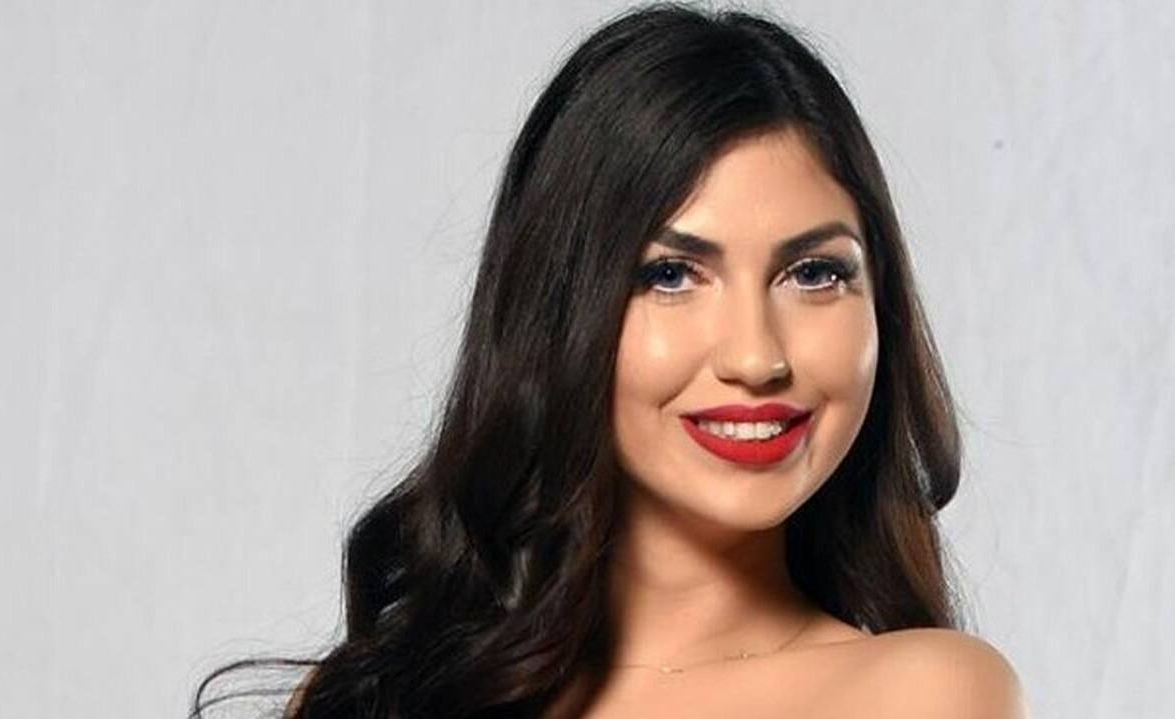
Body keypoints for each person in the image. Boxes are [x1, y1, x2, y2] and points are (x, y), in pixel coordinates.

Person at [194, 4, 1026, 718]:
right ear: (562, 311)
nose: (755, 356)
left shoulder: (922, 693)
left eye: (814, 273)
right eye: (670, 275)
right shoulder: (379, 692)